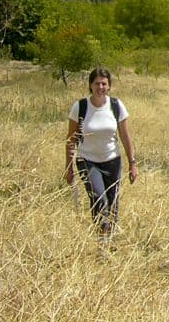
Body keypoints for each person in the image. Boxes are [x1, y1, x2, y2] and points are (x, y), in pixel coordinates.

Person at [64, 67, 138, 247]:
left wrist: (132, 163)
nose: (100, 87)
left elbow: (125, 136)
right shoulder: (80, 107)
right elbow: (71, 139)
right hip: (87, 161)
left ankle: (108, 240)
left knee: (113, 203)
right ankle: (101, 237)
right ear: (90, 85)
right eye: (97, 83)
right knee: (99, 198)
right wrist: (69, 168)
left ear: (109, 86)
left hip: (112, 160)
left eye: (104, 83)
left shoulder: (116, 106)